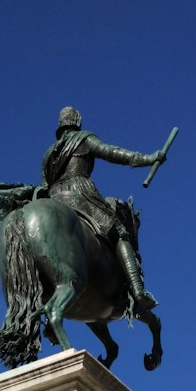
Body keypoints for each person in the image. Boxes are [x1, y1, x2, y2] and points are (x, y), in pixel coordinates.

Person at [42, 106, 165, 315]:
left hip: (53, 199)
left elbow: (45, 184)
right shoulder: (83, 138)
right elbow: (113, 153)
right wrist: (148, 158)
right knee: (119, 230)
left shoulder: (48, 154)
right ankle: (138, 292)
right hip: (78, 194)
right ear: (77, 121)